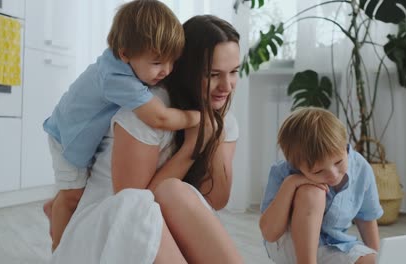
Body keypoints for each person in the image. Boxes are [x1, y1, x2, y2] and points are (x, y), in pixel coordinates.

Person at [50, 14, 243, 263]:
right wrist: (191, 148)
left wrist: (212, 135)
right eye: (213, 74)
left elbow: (217, 199)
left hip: (159, 231)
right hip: (107, 228)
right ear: (186, 70)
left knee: (175, 191)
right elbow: (134, 209)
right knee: (166, 192)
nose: (226, 86)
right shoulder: (146, 111)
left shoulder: (224, 118)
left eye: (234, 72)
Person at [42, 0, 200, 251]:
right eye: (157, 63)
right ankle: (59, 247)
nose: (167, 71)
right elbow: (158, 118)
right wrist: (195, 119)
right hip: (66, 138)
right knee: (73, 196)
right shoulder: (117, 78)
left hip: (82, 130)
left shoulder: (126, 62)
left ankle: (54, 206)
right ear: (125, 53)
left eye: (172, 62)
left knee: (80, 190)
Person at [260, 107, 384, 264]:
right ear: (297, 166)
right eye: (318, 171)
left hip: (335, 245)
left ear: (345, 146)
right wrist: (290, 184)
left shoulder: (361, 167)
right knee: (313, 193)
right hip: (290, 247)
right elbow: (270, 234)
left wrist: (378, 257)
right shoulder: (283, 172)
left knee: (374, 260)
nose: (332, 174)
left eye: (338, 162)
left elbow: (367, 219)